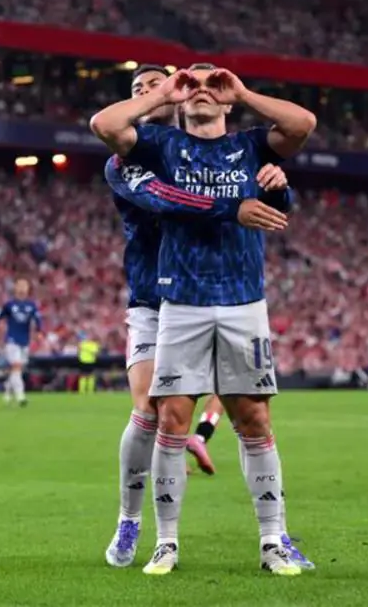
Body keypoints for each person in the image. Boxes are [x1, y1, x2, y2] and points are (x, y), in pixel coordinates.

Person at [91, 62, 316, 576]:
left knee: (252, 417)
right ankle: (132, 522)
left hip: (232, 296)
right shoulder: (137, 155)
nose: (151, 91)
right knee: (152, 412)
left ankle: (275, 537)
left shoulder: (238, 143)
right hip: (158, 298)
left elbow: (299, 130)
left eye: (157, 83)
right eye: (139, 89)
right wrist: (235, 204)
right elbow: (164, 195)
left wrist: (274, 183)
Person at [0, 278, 41, 407]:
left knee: (18, 369)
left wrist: (39, 332)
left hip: (25, 341)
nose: (22, 289)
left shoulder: (31, 305)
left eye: (24, 286)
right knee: (16, 366)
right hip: (12, 340)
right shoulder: (9, 305)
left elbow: (37, 320)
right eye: (20, 286)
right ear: (15, 289)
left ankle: (8, 387)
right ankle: (20, 396)